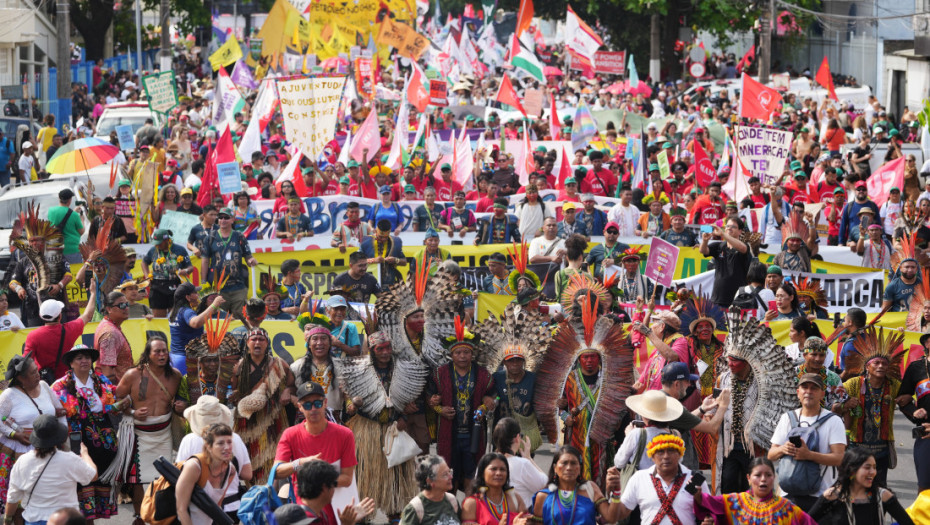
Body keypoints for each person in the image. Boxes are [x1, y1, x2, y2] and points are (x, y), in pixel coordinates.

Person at [340, 331, 424, 518]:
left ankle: (396, 512)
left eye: (388, 348)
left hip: (394, 429)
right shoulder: (358, 370)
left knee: (396, 475)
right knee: (366, 476)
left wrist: (405, 417)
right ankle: (363, 515)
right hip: (367, 429)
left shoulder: (403, 369)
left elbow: (413, 398)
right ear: (372, 350)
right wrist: (351, 406)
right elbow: (347, 397)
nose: (385, 352)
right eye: (380, 349)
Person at [114, 335, 185, 518]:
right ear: (148, 354)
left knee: (163, 477)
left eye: (164, 351)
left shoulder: (175, 376)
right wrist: (131, 412)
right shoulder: (133, 375)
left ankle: (161, 515)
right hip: (139, 434)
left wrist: (179, 408)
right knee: (138, 479)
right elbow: (115, 401)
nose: (162, 355)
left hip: (164, 434)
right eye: (157, 351)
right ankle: (139, 516)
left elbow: (182, 403)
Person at [50, 345, 119, 522]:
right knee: (81, 488)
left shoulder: (101, 380)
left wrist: (109, 406)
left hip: (103, 445)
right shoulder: (59, 386)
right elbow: (52, 413)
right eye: (79, 358)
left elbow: (114, 403)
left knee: (98, 486)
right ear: (71, 363)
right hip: (76, 444)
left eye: (87, 357)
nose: (84, 361)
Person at [273, 381, 357, 525]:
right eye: (307, 405)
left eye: (317, 403)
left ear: (325, 403)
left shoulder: (345, 434)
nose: (313, 409)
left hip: (337, 511)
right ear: (299, 407)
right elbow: (277, 471)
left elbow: (347, 479)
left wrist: (313, 479)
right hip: (304, 514)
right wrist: (299, 463)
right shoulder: (290, 434)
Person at [428, 326, 495, 495]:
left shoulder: (482, 374)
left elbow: (493, 395)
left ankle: (469, 510)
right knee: (448, 472)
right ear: (451, 354)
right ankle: (450, 509)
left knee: (473, 473)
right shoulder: (439, 373)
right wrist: (438, 407)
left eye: (466, 352)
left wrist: (484, 405)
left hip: (474, 433)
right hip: (448, 433)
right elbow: (429, 397)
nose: (463, 356)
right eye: (458, 353)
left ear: (472, 354)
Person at [768, 373, 847, 511]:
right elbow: (771, 454)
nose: (808, 391)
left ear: (822, 394)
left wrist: (809, 455)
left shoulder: (834, 421)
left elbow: (839, 458)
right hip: (787, 495)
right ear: (798, 392)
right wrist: (783, 449)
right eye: (804, 387)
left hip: (821, 496)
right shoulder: (787, 418)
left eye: (814, 388)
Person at [0, 355, 67, 515]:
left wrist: (62, 434)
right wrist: (14, 434)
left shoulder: (44, 386)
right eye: (33, 373)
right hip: (20, 450)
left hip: (49, 445)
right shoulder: (9, 395)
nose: (38, 375)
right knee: (22, 500)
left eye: (37, 371)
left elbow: (60, 411)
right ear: (21, 378)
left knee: (48, 495)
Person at [837, 327, 904, 488]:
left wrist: (912, 407)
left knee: (879, 490)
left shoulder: (894, 386)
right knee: (853, 489)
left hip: (881, 450)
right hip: (856, 448)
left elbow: (907, 400)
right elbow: (833, 407)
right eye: (876, 363)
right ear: (867, 366)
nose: (881, 366)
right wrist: (844, 405)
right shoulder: (853, 384)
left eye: (884, 363)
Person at [4, 415, 97, 525]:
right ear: (58, 438)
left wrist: (7, 520)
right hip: (66, 520)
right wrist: (85, 454)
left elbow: (12, 498)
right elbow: (93, 475)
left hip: (34, 520)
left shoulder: (23, 461)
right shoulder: (70, 459)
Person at [615, 434, 707, 525]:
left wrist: (704, 510)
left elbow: (709, 512)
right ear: (652, 456)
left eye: (671, 451)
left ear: (679, 454)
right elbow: (621, 512)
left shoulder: (694, 479)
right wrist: (614, 491)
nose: (666, 456)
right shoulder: (639, 478)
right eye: (660, 452)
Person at [808, 448, 915, 525]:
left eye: (874, 467)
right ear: (852, 470)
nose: (873, 472)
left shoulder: (883, 496)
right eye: (867, 467)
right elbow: (806, 521)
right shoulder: (832, 495)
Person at [695, 458, 816, 524]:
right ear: (748, 478)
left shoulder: (787, 509)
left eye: (768, 475)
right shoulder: (734, 502)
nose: (763, 479)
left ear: (774, 478)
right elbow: (707, 502)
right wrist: (696, 494)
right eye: (758, 475)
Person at [11, 210, 74, 327]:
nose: (34, 243)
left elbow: (68, 275)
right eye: (31, 241)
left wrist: (59, 285)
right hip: (33, 311)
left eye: (37, 240)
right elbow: (13, 281)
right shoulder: (23, 261)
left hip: (56, 308)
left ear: (44, 241)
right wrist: (19, 288)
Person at [531, 446, 622, 525]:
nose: (569, 468)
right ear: (555, 468)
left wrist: (616, 491)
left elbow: (611, 518)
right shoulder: (543, 496)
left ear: (580, 468)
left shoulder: (590, 488)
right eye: (564, 463)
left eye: (573, 463)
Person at [174, 423, 238, 525]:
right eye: (220, 443)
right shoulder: (194, 467)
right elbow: (181, 509)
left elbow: (217, 507)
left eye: (229, 442)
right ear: (209, 446)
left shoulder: (230, 470)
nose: (227, 447)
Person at [24, 295, 97, 383]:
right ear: (60, 316)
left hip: (45, 383)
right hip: (68, 382)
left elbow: (26, 362)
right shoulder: (70, 329)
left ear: (41, 316)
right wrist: (93, 294)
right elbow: (88, 315)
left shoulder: (33, 336)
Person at [276, 460, 372, 525]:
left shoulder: (320, 513)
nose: (335, 489)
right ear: (325, 488)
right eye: (334, 484)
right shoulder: (305, 520)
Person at [200, 207, 259, 315]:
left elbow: (248, 256)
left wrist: (252, 261)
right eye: (220, 217)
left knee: (239, 317)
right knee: (218, 318)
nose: (223, 220)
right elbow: (204, 261)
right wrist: (203, 281)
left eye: (226, 217)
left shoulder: (239, 236)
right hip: (217, 289)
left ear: (232, 219)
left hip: (238, 287)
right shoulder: (210, 237)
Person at [897, 332, 930, 491]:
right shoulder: (916, 367)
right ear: (927, 343)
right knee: (925, 488)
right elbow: (903, 399)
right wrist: (914, 411)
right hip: (926, 435)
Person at [169, 283, 226, 374]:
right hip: (186, 360)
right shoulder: (186, 312)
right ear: (188, 297)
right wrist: (214, 304)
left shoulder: (174, 312)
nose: (198, 295)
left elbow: (184, 330)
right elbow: (196, 323)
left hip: (173, 357)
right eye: (195, 293)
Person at [492, 419, 547, 510]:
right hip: (518, 518)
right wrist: (529, 459)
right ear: (517, 438)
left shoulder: (486, 462)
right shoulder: (522, 464)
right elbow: (545, 485)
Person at [461, 453, 527, 525]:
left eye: (502, 469)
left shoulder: (515, 499)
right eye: (493, 469)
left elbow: (528, 521)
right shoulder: (472, 503)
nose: (498, 473)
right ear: (483, 473)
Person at [142, 229, 194, 318]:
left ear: (166, 240)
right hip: (157, 286)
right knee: (158, 318)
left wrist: (185, 271)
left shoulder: (179, 250)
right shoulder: (153, 250)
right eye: (156, 243)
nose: (157, 245)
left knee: (174, 317)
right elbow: (144, 262)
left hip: (174, 285)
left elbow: (190, 267)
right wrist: (147, 276)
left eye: (159, 243)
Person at [700, 219, 751, 308]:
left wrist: (723, 234)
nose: (729, 228)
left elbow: (743, 248)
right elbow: (703, 250)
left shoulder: (743, 246)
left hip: (737, 299)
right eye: (727, 226)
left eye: (733, 227)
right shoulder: (719, 246)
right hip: (718, 298)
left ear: (740, 231)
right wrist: (705, 240)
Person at [399, 456, 460, 525]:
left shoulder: (452, 501)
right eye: (445, 475)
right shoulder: (415, 509)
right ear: (430, 481)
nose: (451, 477)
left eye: (450, 472)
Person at [794, 337, 847, 411]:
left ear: (825, 356)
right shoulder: (791, 375)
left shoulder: (833, 379)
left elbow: (843, 402)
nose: (817, 359)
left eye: (821, 355)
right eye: (814, 354)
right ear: (805, 355)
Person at [93, 291, 134, 384]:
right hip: (117, 391)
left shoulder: (111, 325)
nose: (126, 308)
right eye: (121, 305)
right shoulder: (110, 334)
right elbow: (107, 372)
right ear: (109, 309)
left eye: (127, 304)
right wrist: (115, 396)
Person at [360, 220, 406, 287]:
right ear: (376, 231)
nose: (383, 239)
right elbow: (357, 261)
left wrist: (395, 260)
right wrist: (373, 260)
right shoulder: (366, 241)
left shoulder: (396, 242)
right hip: (369, 281)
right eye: (381, 237)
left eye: (386, 237)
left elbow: (404, 262)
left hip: (389, 282)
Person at [47, 189, 85, 264]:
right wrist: (82, 219)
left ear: (59, 198)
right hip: (72, 249)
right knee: (75, 274)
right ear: (70, 200)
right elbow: (81, 231)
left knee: (59, 274)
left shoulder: (51, 211)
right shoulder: (74, 215)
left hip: (56, 249)